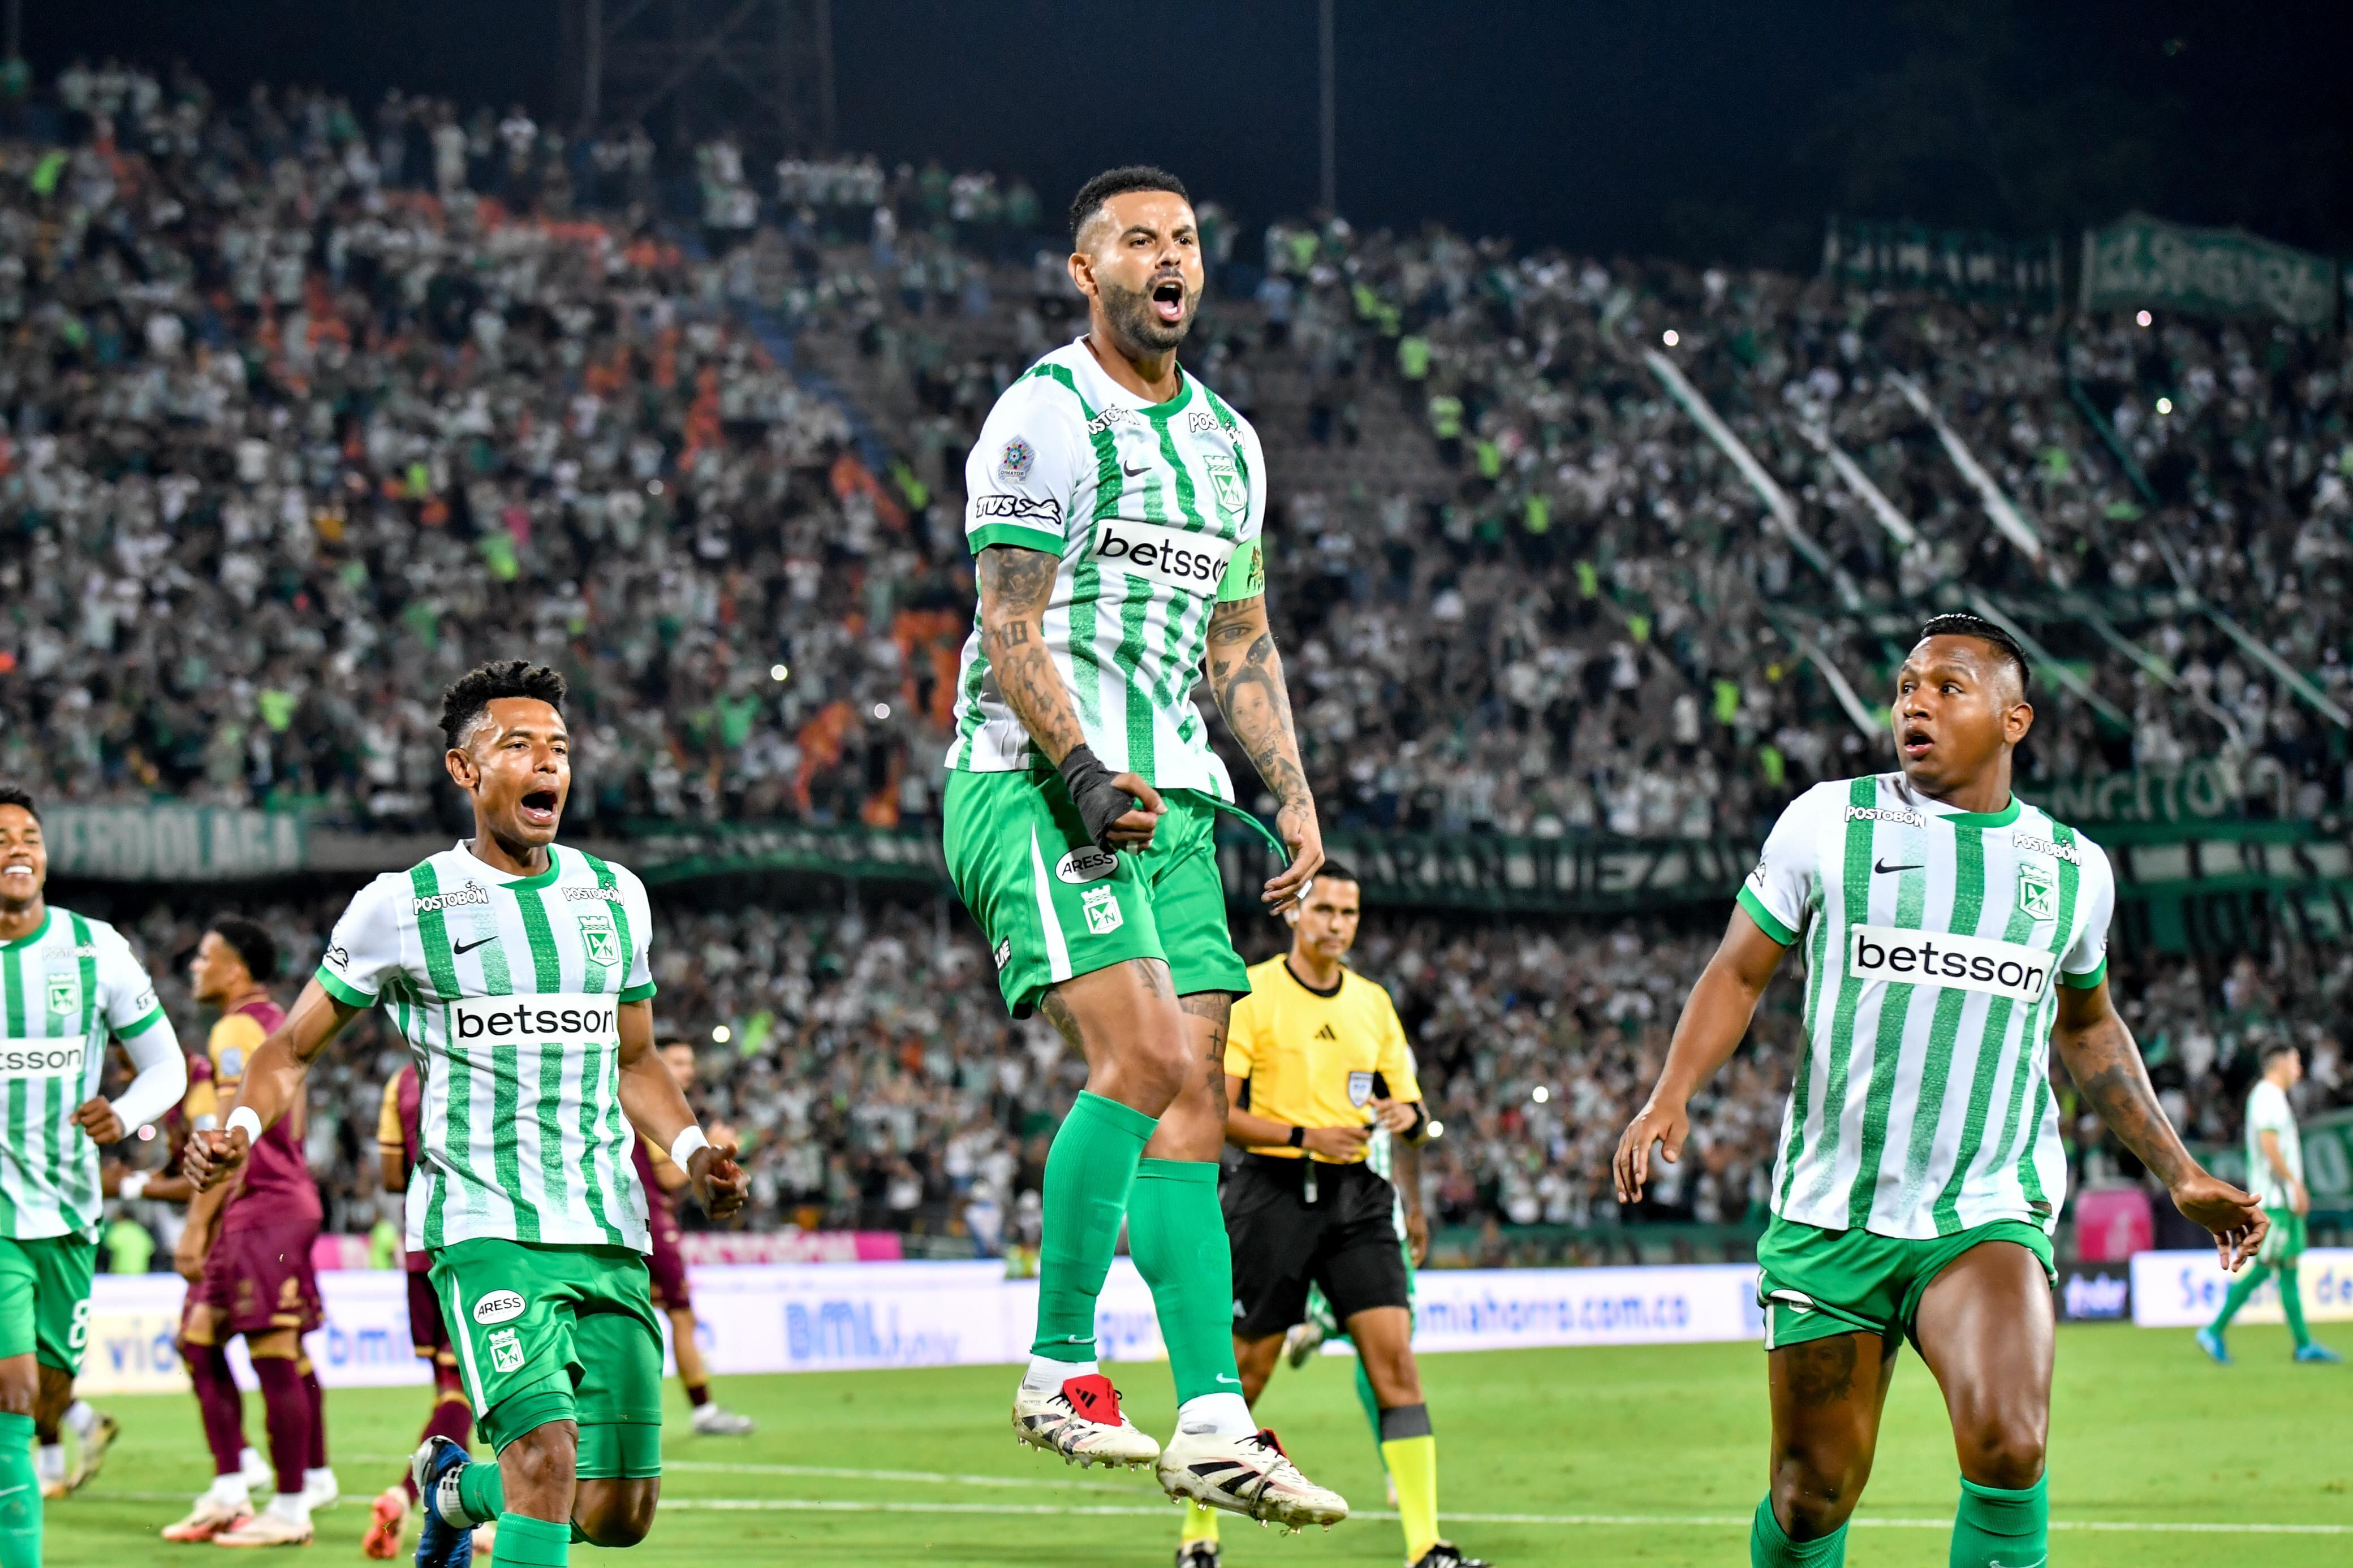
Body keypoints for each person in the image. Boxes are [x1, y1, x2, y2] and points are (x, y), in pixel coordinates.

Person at [1613, 612, 2268, 1568]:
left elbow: (2089, 1026)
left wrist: (2180, 1170)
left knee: (2012, 1442)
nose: (1914, 703)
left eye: (1947, 688)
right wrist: (1670, 1092)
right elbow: (1739, 972)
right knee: (1809, 1494)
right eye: (1906, 688)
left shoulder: (2073, 869)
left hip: (1985, 1204)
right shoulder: (1830, 821)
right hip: (1833, 1212)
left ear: (2014, 720)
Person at [940, 164, 1342, 1528]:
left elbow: (1240, 639)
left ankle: (1213, 1418)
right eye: (1137, 241)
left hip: (1175, 799)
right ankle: (1058, 1364)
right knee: (1145, 1057)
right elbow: (1008, 624)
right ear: (1086, 270)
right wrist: (1076, 769)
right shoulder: (1044, 418)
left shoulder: (1231, 444)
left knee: (1193, 1103)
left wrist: (1291, 792)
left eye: (1184, 240)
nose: (1168, 259)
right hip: (1037, 780)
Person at [184, 661, 748, 1568]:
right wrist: (235, 1132)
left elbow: (636, 1060)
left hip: (609, 1227)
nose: (548, 764)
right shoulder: (401, 906)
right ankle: (481, 1491)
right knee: (544, 1459)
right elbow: (287, 1050)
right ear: (464, 769)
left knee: (616, 1511)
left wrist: (690, 1150)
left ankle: (451, 1490)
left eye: (559, 748)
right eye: (519, 746)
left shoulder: (616, 896)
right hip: (486, 1225)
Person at [1177, 863, 1480, 1568]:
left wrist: (1409, 1122)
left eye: (1349, 912)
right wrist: (1304, 1136)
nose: (1338, 924)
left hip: (1356, 1199)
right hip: (1272, 1195)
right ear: (1294, 914)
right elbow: (1218, 1113)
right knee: (1245, 1374)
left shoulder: (1372, 1002)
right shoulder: (1252, 993)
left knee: (1394, 1365)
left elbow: (1410, 1110)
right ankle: (1198, 1536)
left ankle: (1425, 1546)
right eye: (1324, 910)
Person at [0, 783, 188, 1565]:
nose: (17, 849)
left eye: (28, 837)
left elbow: (167, 1067)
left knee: (48, 1400)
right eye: (0, 838)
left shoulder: (93, 949)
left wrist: (126, 1114)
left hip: (71, 1211)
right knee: (13, 1398)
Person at [161, 915, 338, 1545]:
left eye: (205, 956)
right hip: (265, 1202)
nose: (195, 967)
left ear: (236, 968)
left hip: (263, 1202)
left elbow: (224, 1142)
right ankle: (238, 1485)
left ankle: (289, 1506)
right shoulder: (279, 1023)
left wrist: (195, 1226)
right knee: (200, 1339)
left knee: (273, 1349)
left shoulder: (237, 1028)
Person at [360, 1062, 488, 1560]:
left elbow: (394, 1174)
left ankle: (459, 1514)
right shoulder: (488, 1057)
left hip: (420, 1235)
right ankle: (404, 1494)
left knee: (449, 1389)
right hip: (478, 1237)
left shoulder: (402, 1079)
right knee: (467, 1391)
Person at [632, 1040, 755, 1436]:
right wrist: (710, 1152)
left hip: (631, 1220)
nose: (688, 1070)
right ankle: (703, 1410)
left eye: (690, 1062)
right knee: (681, 1314)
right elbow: (668, 1177)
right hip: (649, 1221)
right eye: (678, 1061)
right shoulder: (651, 1104)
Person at [2199, 1041, 2341, 1364]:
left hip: (2280, 1201)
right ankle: (2214, 1330)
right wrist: (2294, 1185)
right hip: (2275, 1200)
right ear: (2281, 1063)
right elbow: (2269, 1145)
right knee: (2266, 1266)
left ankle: (2303, 1345)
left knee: (2287, 1267)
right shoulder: (2268, 1097)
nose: (2299, 1069)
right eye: (2296, 1061)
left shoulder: (2271, 1097)